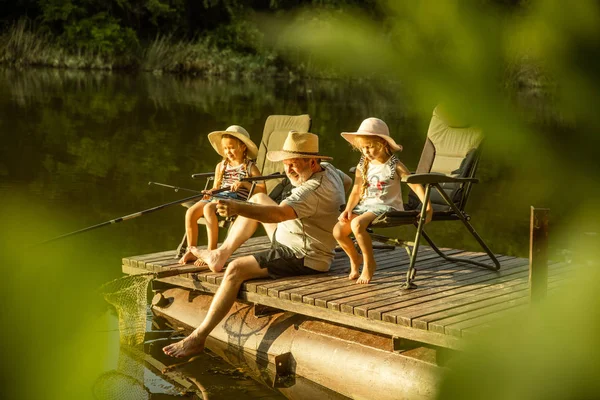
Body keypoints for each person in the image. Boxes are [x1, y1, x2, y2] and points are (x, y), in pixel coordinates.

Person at [163, 131, 346, 358]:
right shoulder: (333, 173)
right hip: (293, 235)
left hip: (303, 254)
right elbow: (352, 181)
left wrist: (237, 207)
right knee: (258, 199)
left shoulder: (311, 190)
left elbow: (278, 214)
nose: (288, 171)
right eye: (286, 164)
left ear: (313, 161)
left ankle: (198, 337)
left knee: (236, 269)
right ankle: (219, 254)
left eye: (294, 165)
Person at [333, 118, 433, 284]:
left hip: (387, 206)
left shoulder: (394, 164)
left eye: (370, 147)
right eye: (363, 148)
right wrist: (348, 209)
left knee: (357, 225)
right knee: (338, 231)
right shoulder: (363, 163)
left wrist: (428, 208)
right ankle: (355, 259)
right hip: (366, 206)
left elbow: (414, 185)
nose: (366, 152)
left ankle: (369, 263)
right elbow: (356, 190)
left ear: (382, 143)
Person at [179, 125, 265, 266]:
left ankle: (211, 251)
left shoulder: (250, 167)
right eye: (225, 149)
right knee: (190, 212)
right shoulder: (221, 166)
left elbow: (262, 190)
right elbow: (216, 187)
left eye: (231, 147)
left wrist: (244, 185)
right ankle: (191, 250)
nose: (228, 151)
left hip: (234, 200)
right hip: (218, 197)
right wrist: (210, 192)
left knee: (208, 209)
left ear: (243, 147)